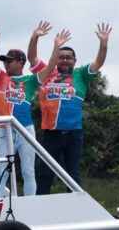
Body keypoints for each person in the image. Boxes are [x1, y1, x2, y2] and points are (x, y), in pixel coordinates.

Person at [0, 23, 69, 197]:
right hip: (4, 131)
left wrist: (56, 47)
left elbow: (50, 67)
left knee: (28, 171)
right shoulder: (1, 79)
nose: (6, 64)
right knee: (2, 171)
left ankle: (30, 205)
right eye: (5, 61)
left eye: (9, 60)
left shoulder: (30, 81)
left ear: (20, 62)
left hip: (25, 130)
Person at [28, 22, 112, 193]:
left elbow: (98, 62)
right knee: (45, 174)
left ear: (74, 61)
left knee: (73, 174)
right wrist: (35, 37)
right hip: (51, 132)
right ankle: (40, 209)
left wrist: (103, 44)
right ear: (56, 59)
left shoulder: (80, 74)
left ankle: (75, 209)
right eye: (61, 56)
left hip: (74, 132)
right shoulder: (47, 72)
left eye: (69, 57)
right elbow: (31, 57)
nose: (65, 60)